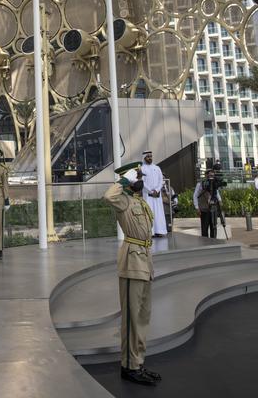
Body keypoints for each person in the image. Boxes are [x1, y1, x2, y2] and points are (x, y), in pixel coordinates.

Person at [104, 161, 161, 386]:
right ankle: (128, 366)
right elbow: (108, 196)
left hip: (145, 261)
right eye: (136, 175)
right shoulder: (123, 200)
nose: (140, 178)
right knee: (131, 319)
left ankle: (137, 362)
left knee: (143, 317)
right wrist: (124, 179)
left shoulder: (139, 201)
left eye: (138, 174)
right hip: (132, 262)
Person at [140, 150, 167, 237]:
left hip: (157, 195)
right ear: (144, 158)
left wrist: (157, 190)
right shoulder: (141, 169)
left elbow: (161, 180)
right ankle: (150, 232)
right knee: (149, 212)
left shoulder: (157, 168)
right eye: (148, 157)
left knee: (158, 213)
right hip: (147, 195)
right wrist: (150, 190)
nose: (150, 158)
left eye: (151, 156)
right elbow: (142, 181)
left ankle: (159, 231)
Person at [193, 168, 223, 238]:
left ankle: (214, 241)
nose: (211, 177)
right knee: (204, 227)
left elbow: (217, 192)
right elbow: (195, 196)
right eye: (210, 175)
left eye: (212, 175)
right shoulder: (200, 184)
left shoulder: (214, 183)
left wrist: (220, 200)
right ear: (206, 175)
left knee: (213, 226)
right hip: (204, 208)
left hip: (213, 208)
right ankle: (205, 243)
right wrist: (197, 207)